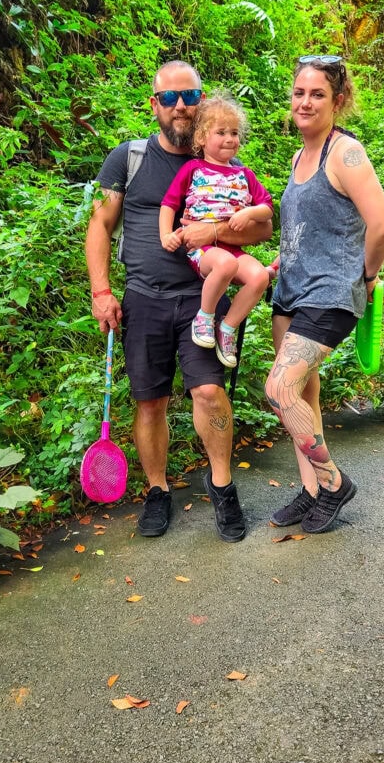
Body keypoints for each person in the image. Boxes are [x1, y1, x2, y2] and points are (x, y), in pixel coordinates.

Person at [85, 61, 272, 541]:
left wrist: (211, 230)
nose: (181, 106)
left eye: (190, 95)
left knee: (209, 392)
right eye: (170, 98)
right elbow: (100, 226)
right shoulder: (128, 159)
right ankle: (157, 490)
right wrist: (101, 292)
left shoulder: (225, 164)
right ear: (155, 105)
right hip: (144, 298)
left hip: (200, 296)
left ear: (203, 101)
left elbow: (264, 224)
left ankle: (224, 488)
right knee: (149, 402)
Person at [265, 54, 384, 534]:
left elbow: (382, 224)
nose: (305, 101)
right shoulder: (300, 154)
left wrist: (366, 275)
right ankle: (314, 490)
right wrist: (283, 259)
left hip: (330, 293)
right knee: (305, 392)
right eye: (299, 92)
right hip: (291, 291)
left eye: (317, 93)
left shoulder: (346, 153)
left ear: (337, 102)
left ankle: (334, 483)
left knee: (280, 389)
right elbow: (308, 225)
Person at [159, 93, 273, 369]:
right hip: (204, 250)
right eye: (221, 132)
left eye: (234, 133)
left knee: (259, 277)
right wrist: (166, 235)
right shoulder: (193, 169)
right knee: (225, 264)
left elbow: (267, 208)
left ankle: (228, 327)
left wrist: (249, 212)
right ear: (201, 138)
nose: (230, 139)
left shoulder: (244, 174)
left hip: (233, 248)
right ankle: (205, 316)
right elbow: (169, 204)